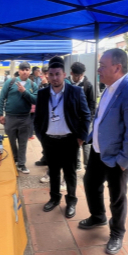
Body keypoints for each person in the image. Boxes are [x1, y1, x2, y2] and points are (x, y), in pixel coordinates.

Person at [79, 48, 128, 255]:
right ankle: (98, 216)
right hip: (99, 150)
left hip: (118, 156)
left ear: (117, 67)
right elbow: (102, 117)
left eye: (102, 66)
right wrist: (91, 137)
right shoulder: (110, 86)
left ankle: (117, 232)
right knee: (91, 183)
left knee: (117, 196)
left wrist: (124, 160)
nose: (98, 70)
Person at [34, 57, 91, 218]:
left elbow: (86, 115)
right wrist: (42, 137)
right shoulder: (43, 94)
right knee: (53, 172)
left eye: (57, 74)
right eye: (51, 74)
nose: (54, 78)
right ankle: (54, 198)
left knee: (70, 173)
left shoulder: (76, 91)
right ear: (48, 76)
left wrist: (81, 138)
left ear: (64, 75)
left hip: (70, 140)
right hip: (49, 140)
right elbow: (37, 118)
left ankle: (71, 201)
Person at [0, 61, 38, 174]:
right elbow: (1, 98)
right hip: (10, 117)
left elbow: (36, 100)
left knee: (23, 142)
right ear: (19, 71)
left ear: (29, 72)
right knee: (10, 141)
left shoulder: (32, 85)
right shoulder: (10, 82)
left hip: (25, 118)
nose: (25, 72)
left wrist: (25, 92)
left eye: (27, 70)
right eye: (22, 69)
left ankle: (21, 164)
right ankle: (13, 159)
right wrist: (0, 114)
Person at [67, 61, 96, 169]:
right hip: (72, 120)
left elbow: (92, 103)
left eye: (80, 75)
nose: (78, 78)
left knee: (86, 142)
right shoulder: (67, 83)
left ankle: (87, 164)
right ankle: (77, 163)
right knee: (75, 142)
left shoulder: (88, 85)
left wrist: (90, 118)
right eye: (76, 75)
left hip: (85, 119)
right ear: (71, 73)